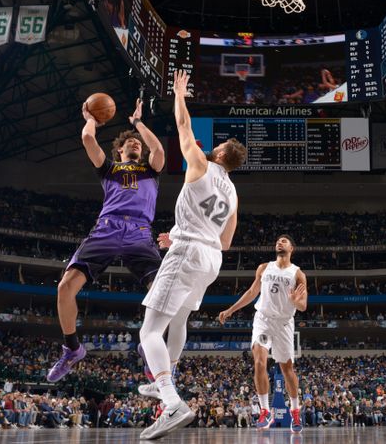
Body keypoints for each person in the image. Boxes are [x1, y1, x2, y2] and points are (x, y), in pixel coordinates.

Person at [138, 69, 247, 440]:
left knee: (149, 330)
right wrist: (183, 235)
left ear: (218, 153)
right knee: (180, 318)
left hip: (189, 252)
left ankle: (171, 401)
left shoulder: (200, 163)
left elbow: (182, 124)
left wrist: (179, 93)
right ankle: (164, 377)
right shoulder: (234, 195)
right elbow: (227, 241)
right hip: (210, 259)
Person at [47, 96, 165, 382]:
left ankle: (149, 343)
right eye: (130, 143)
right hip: (107, 228)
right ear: (120, 150)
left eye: (138, 143)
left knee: (166, 294)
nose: (136, 144)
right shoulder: (109, 168)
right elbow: (88, 139)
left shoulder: (151, 169)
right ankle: (72, 348)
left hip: (140, 232)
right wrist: (91, 118)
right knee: (65, 288)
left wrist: (138, 123)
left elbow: (159, 149)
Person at [219, 235, 308, 433]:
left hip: (284, 323)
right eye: (277, 240)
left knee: (287, 370)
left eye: (284, 241)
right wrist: (231, 310)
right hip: (264, 320)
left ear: (291, 248)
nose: (279, 242)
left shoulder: (298, 274)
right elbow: (252, 292)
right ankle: (265, 410)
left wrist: (295, 301)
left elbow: (303, 305)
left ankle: (294, 410)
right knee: (259, 362)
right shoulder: (264, 267)